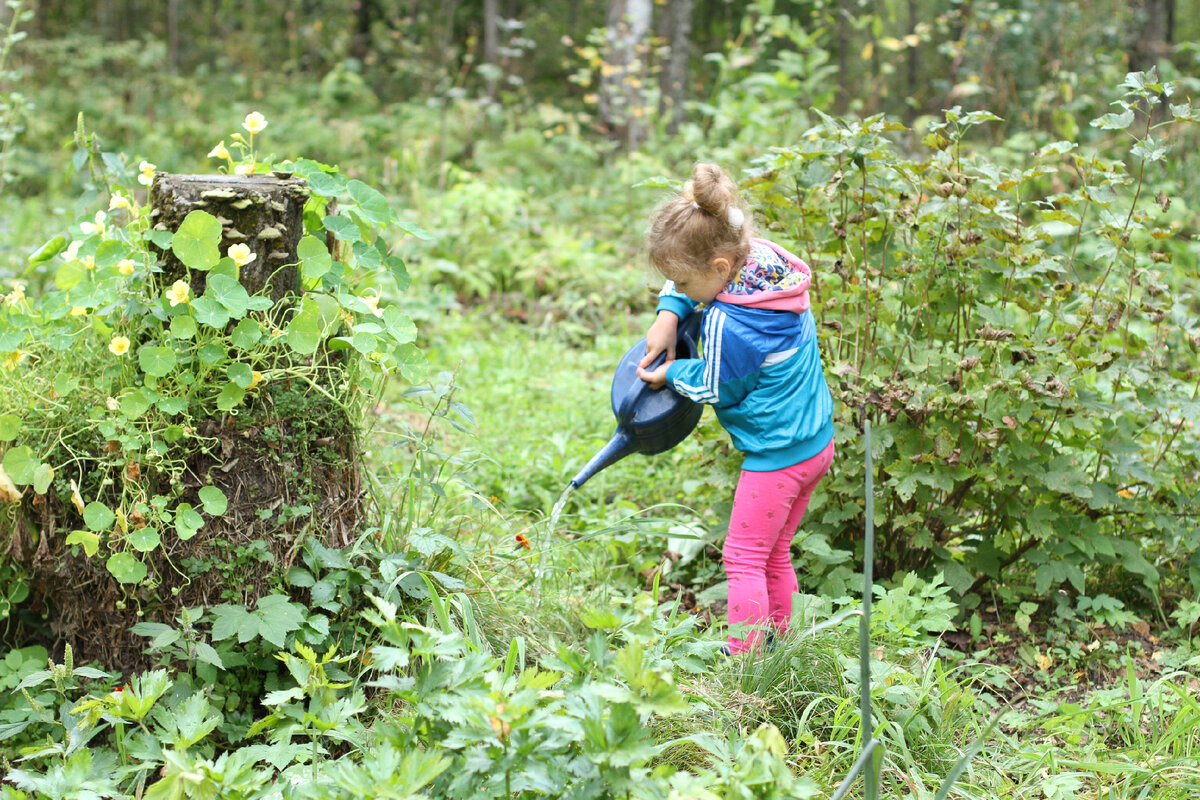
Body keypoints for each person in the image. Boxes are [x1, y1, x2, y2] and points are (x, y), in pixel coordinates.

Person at [636, 162, 835, 656]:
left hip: (777, 456)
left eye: (680, 283)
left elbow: (716, 387)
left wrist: (673, 374)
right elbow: (696, 281)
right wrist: (671, 311)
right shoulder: (763, 263)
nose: (677, 288)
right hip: (814, 441)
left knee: (742, 558)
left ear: (719, 270)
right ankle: (785, 650)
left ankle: (743, 664)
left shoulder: (732, 324)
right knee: (774, 553)